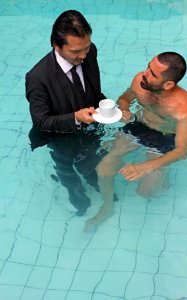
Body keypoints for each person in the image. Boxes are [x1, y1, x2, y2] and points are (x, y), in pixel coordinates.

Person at [91, 52, 187, 227]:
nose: (145, 73)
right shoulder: (140, 81)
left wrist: (146, 166)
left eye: (153, 74)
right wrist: (124, 110)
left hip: (164, 138)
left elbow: (182, 152)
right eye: (148, 66)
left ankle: (163, 180)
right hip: (139, 127)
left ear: (168, 84)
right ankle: (107, 207)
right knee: (103, 169)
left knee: (146, 192)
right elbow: (124, 99)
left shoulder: (183, 106)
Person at [25, 10, 109, 216]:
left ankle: (93, 179)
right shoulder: (37, 78)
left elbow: (92, 89)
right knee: (65, 168)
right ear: (56, 45)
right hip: (60, 136)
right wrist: (75, 118)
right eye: (76, 51)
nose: (83, 55)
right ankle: (77, 196)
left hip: (90, 125)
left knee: (91, 160)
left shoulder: (89, 52)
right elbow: (41, 121)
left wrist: (108, 107)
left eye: (87, 48)